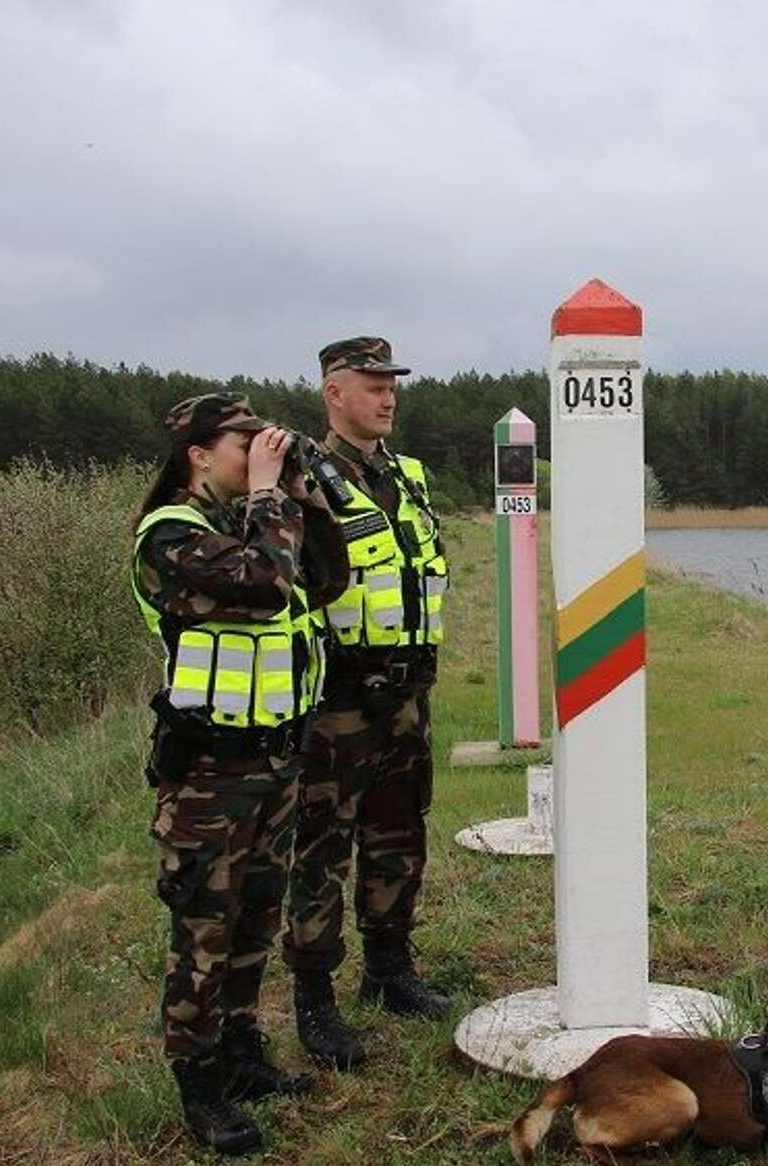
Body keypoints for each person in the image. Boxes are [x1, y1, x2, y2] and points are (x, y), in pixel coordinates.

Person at [131, 393, 347, 1154]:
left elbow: (323, 581)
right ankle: (200, 1087)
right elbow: (262, 583)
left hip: (275, 760)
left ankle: (244, 1053)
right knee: (203, 933)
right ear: (197, 453)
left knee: (257, 916)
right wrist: (264, 496)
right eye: (244, 442)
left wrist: (301, 498)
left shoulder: (252, 522)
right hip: (209, 779)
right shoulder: (170, 535)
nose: (258, 451)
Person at [286, 335, 452, 1072]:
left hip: (407, 693)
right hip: (339, 700)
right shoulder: (305, 481)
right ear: (334, 393)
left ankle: (390, 971)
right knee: (323, 846)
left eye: (393, 385)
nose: (388, 397)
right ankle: (316, 1001)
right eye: (372, 383)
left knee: (398, 832)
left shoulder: (408, 476)